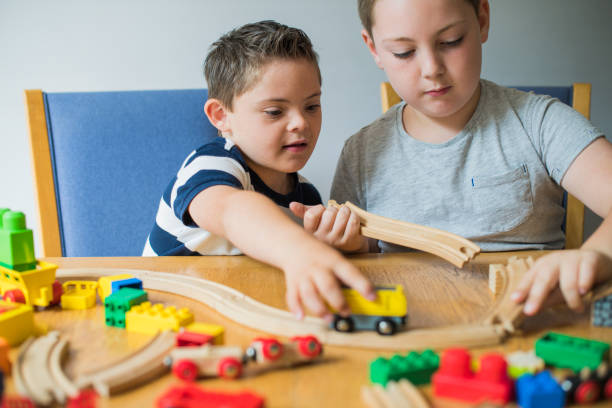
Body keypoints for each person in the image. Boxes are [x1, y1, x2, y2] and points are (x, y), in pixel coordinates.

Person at [291, 0, 612, 317]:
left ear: (482, 19)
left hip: (526, 319)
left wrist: (597, 254)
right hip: (415, 326)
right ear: (373, 48)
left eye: (450, 41)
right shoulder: (360, 153)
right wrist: (348, 245)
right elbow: (368, 251)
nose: (432, 69)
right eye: (404, 52)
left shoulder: (541, 122)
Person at [143, 20, 375, 320]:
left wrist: (349, 244)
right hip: (163, 313)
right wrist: (298, 248)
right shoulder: (210, 165)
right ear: (221, 116)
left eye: (311, 106)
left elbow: (305, 268)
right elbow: (232, 211)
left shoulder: (305, 194)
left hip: (237, 316)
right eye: (275, 112)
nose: (300, 123)